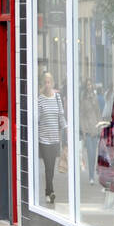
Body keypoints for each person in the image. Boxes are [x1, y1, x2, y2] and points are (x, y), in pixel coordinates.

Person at [37, 71, 67, 203]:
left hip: (55, 139)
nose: (48, 84)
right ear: (43, 84)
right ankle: (51, 192)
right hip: (44, 139)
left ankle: (48, 192)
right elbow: (36, 119)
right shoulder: (40, 99)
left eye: (50, 82)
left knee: (51, 167)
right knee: (48, 166)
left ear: (53, 83)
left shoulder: (57, 98)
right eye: (45, 82)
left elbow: (61, 116)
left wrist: (66, 130)